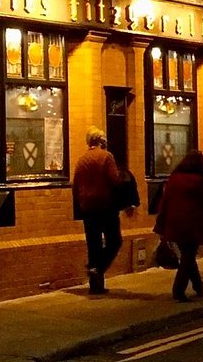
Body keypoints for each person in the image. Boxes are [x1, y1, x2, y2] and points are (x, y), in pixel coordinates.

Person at [153, 150, 203, 302]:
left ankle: (198, 285)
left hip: (174, 223)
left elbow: (164, 203)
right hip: (193, 224)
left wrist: (160, 225)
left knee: (187, 255)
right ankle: (178, 290)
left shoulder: (174, 178)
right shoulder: (202, 179)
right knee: (188, 255)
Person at [73, 126, 130, 294]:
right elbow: (114, 180)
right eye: (104, 139)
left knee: (94, 244)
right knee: (115, 241)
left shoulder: (81, 160)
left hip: (87, 208)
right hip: (105, 205)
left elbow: (75, 185)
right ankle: (98, 268)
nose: (106, 142)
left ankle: (96, 286)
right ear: (100, 140)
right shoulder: (106, 157)